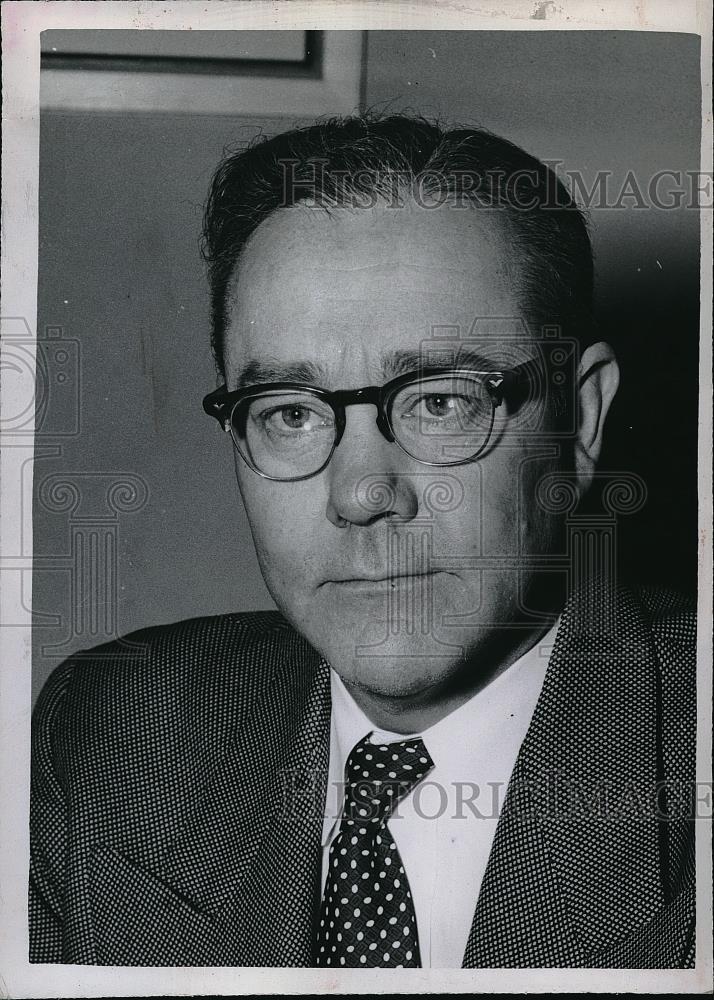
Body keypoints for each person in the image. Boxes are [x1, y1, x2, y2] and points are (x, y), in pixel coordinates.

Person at [29, 114, 696, 968]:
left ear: (582, 421)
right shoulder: (111, 737)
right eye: (290, 413)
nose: (362, 494)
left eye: (441, 401)